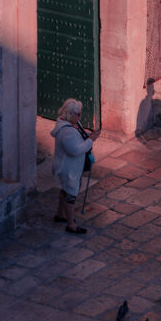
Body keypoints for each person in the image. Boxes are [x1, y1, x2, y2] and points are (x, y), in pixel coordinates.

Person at [50, 98, 94, 234]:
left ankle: (60, 215)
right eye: (78, 114)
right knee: (71, 194)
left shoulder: (73, 125)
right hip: (69, 169)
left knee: (66, 190)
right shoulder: (67, 131)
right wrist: (91, 140)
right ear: (70, 114)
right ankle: (71, 224)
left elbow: (79, 137)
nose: (80, 116)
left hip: (70, 167)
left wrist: (88, 135)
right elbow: (75, 150)